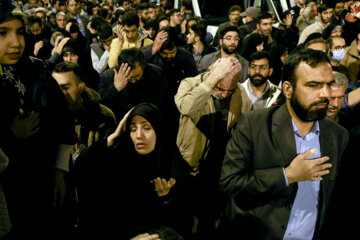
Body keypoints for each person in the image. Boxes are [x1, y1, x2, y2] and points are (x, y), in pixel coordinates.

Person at [219, 48, 348, 239]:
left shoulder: (338, 135)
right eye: (313, 85)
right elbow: (230, 183)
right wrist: (287, 175)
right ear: (288, 89)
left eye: (328, 85)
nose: (325, 94)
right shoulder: (253, 124)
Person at [0, 1, 75, 238]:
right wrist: (8, 135)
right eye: (3, 33)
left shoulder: (38, 72)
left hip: (42, 185)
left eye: (20, 32)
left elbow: (63, 122)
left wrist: (59, 171)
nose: (15, 42)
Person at [73, 103, 194, 239]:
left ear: (159, 130)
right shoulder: (117, 164)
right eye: (132, 129)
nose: (139, 135)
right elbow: (79, 167)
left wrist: (164, 199)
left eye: (147, 128)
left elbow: (182, 225)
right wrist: (113, 137)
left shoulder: (174, 169)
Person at [175, 57, 251, 239]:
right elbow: (187, 108)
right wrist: (211, 81)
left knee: (209, 218)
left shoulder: (240, 93)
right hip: (190, 161)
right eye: (219, 88)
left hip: (219, 165)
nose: (224, 94)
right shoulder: (190, 84)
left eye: (229, 90)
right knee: (185, 214)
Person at [52, 61, 117, 162]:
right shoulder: (47, 117)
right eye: (55, 87)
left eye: (65, 87)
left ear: (81, 87)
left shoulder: (104, 116)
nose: (60, 93)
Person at [99, 48, 168, 121]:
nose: (133, 81)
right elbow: (102, 107)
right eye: (128, 77)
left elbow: (165, 103)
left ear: (143, 66)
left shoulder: (156, 73)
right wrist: (115, 88)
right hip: (121, 124)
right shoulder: (108, 76)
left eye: (137, 76)